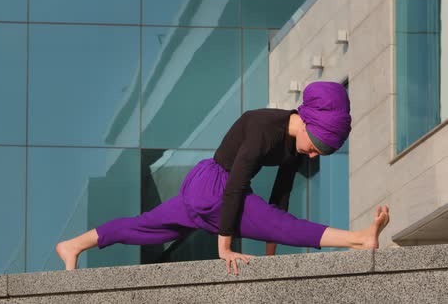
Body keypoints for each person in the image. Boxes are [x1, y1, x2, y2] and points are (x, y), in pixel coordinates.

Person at [56, 81, 390, 274]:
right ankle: (359, 239)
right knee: (272, 219)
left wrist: (272, 249)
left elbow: (281, 195)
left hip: (203, 190)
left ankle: (73, 245)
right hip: (215, 188)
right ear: (305, 122)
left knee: (145, 227)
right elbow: (236, 186)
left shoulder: (294, 144)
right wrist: (224, 248)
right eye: (316, 147)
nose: (313, 155)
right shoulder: (262, 128)